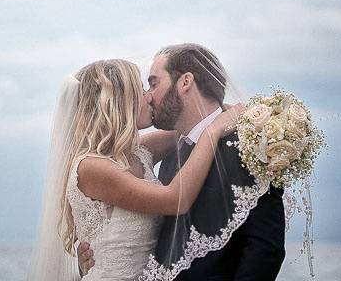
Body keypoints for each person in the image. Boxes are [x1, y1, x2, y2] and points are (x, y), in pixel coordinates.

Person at [79, 44, 286, 281]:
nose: (148, 95)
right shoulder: (171, 152)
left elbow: (264, 250)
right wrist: (97, 257)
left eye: (154, 83)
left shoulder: (246, 146)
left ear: (185, 82)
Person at [28, 58, 244, 281]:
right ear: (120, 102)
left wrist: (232, 115)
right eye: (141, 90)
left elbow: (193, 125)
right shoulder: (91, 167)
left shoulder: (138, 152)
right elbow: (176, 199)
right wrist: (214, 131)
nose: (149, 96)